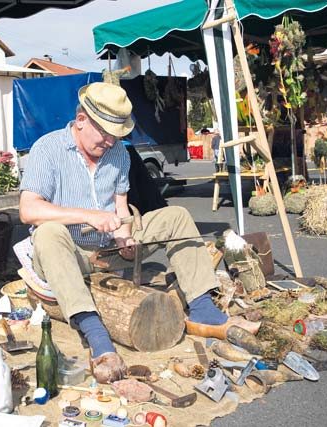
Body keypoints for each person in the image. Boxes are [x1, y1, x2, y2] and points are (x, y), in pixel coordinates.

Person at [19, 82, 253, 384]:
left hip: (109, 251)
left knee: (176, 216)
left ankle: (202, 308)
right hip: (68, 253)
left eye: (115, 136)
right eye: (103, 134)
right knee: (48, 233)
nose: (109, 142)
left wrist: (125, 237)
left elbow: (121, 208)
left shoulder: (118, 154)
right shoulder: (47, 149)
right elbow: (29, 210)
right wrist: (87, 215)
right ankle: (95, 333)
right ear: (80, 121)